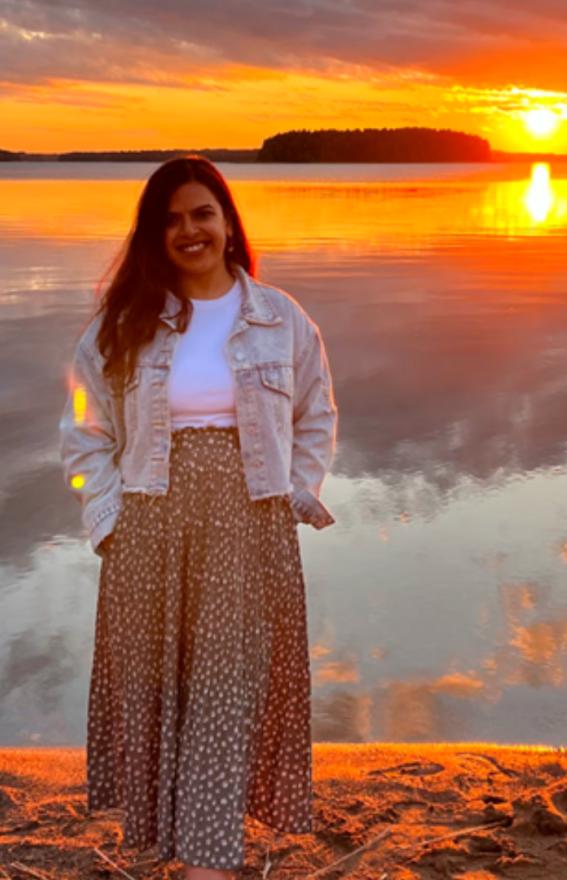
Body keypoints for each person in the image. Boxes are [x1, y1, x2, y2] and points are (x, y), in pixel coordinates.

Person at [59, 155, 338, 880]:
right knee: (158, 689)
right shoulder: (122, 326)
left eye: (202, 214)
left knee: (227, 686)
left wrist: (293, 494)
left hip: (249, 530)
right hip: (148, 528)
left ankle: (209, 862)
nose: (190, 231)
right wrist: (109, 518)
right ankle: (172, 842)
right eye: (172, 220)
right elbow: (84, 431)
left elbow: (316, 413)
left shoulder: (281, 318)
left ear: (227, 222)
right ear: (155, 235)